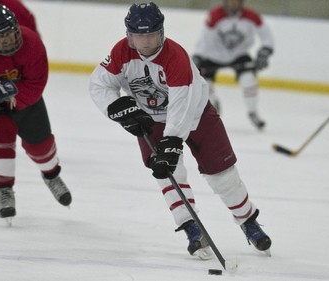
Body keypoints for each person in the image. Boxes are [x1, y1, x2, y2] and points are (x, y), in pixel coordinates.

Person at [89, 2, 272, 259]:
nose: (144, 42)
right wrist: (118, 108)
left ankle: (247, 220)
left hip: (195, 113)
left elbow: (181, 105)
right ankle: (192, 229)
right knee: (167, 173)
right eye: (138, 35)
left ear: (161, 32)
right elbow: (98, 84)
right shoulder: (120, 52)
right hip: (151, 119)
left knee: (222, 174)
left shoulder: (175, 56)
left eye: (150, 34)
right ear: (129, 34)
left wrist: (172, 139)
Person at [0, 4, 72, 224]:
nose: (8, 40)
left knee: (40, 145)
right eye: (1, 37)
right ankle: (4, 189)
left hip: (25, 100)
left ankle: (51, 174)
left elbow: (36, 83)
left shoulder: (32, 43)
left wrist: (12, 95)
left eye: (11, 33)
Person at [192, 0, 274, 130]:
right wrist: (198, 56)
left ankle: (253, 112)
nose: (233, 4)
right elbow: (204, 39)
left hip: (239, 55)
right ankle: (213, 104)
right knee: (205, 86)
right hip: (213, 55)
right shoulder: (215, 15)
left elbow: (266, 36)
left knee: (249, 80)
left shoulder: (252, 16)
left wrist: (264, 52)